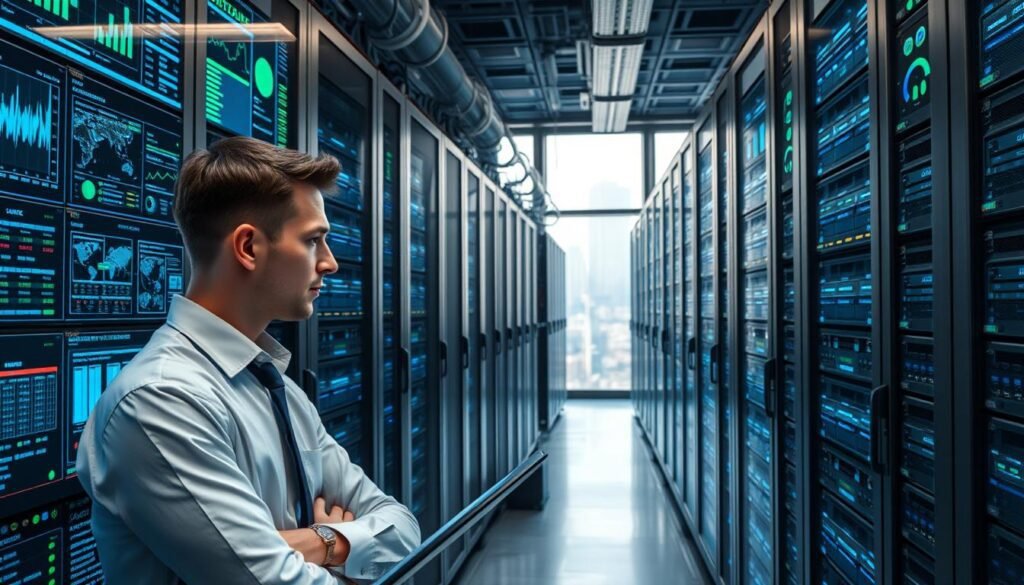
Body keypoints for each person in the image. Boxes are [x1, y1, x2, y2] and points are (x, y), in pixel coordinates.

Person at [77, 136, 421, 584]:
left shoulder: (276, 387)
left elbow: (403, 528)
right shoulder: (161, 401)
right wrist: (349, 553)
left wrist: (322, 542)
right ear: (248, 247)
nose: (331, 263)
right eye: (314, 240)